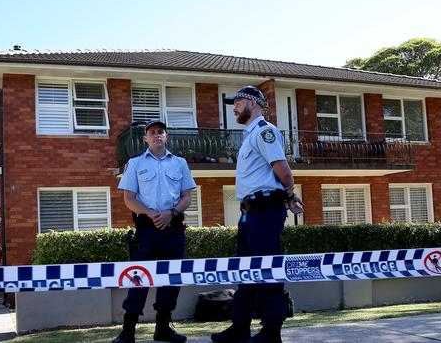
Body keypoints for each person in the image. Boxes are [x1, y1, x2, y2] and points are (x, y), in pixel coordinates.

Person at [212, 86, 304, 343]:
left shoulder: (265, 131)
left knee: (267, 271)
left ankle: (271, 331)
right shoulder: (249, 135)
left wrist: (289, 194)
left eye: (238, 102)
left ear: (253, 103)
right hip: (250, 212)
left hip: (265, 210)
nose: (234, 107)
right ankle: (240, 327)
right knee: (246, 272)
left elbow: (282, 169)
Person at [113, 119, 196, 343]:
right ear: (145, 138)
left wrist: (171, 213)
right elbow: (129, 199)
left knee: (171, 280)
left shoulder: (179, 163)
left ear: (166, 136)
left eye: (161, 131)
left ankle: (163, 329)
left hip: (173, 228)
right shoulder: (136, 163)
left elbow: (187, 196)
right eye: (152, 132)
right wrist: (151, 214)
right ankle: (127, 332)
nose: (157, 135)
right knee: (139, 279)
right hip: (147, 230)